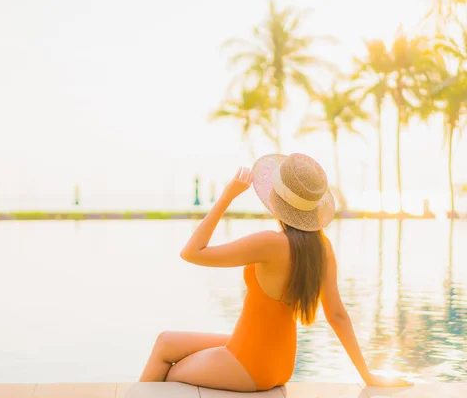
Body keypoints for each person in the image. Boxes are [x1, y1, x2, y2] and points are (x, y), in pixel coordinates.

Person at [139, 153, 411, 392]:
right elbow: (337, 315)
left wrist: (227, 196)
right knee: (166, 343)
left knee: (170, 373)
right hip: (281, 364)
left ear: (275, 198)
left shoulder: (269, 243)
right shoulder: (322, 248)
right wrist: (367, 375)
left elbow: (192, 252)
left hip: (247, 364)